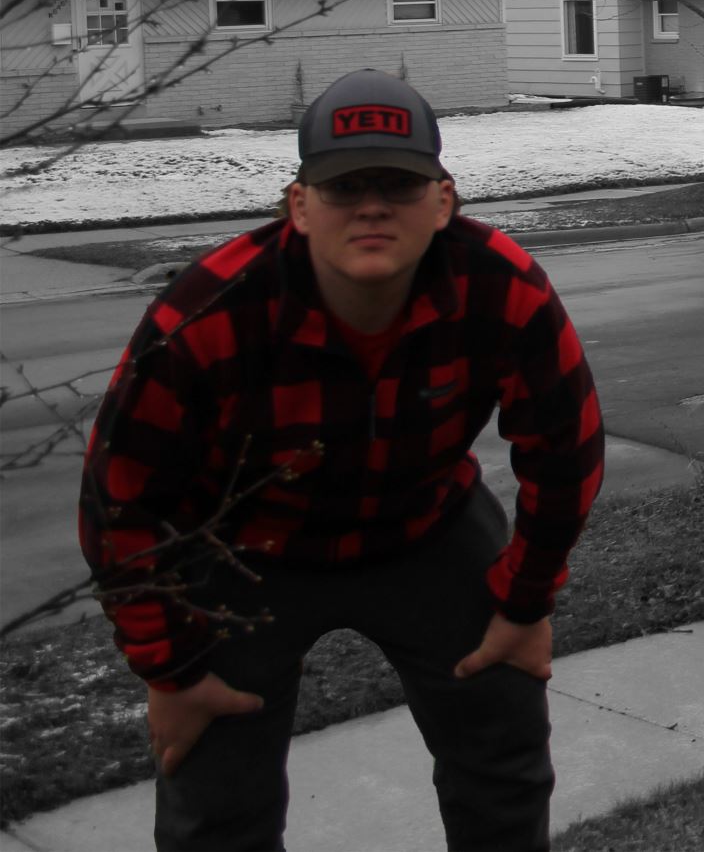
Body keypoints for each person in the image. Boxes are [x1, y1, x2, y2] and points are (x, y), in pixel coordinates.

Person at [77, 69, 605, 852]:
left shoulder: (504, 287)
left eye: (398, 184)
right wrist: (172, 671)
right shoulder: (206, 312)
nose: (371, 206)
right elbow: (119, 502)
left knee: (505, 753)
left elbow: (565, 453)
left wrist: (525, 607)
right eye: (343, 185)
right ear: (299, 205)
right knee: (215, 797)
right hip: (243, 547)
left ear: (444, 201)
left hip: (428, 527)